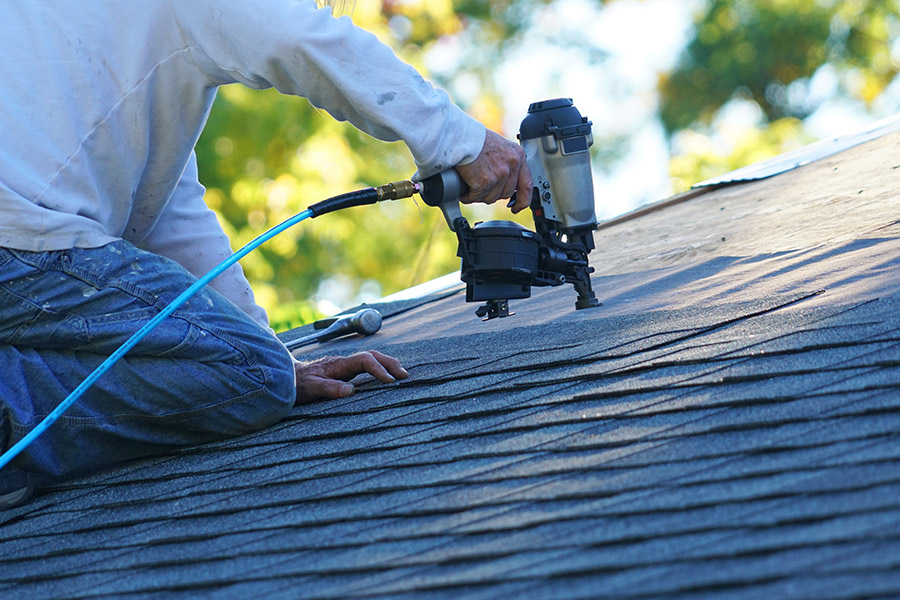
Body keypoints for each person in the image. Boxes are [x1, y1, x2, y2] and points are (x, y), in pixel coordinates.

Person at [0, 0, 532, 507]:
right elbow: (297, 37)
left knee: (261, 369)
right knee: (254, 376)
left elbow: (166, 214)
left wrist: (278, 357)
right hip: (18, 236)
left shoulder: (121, 53)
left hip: (22, 236)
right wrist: (461, 141)